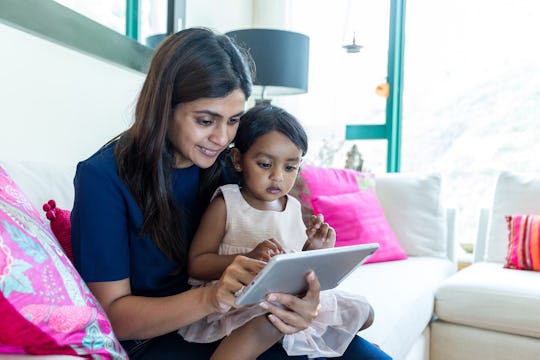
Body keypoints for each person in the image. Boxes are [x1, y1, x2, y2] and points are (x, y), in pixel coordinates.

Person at [71, 27, 391, 359]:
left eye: (234, 119)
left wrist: (304, 299)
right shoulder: (103, 178)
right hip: (161, 337)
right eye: (206, 121)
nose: (223, 138)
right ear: (164, 108)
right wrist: (213, 298)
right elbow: (114, 316)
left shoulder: (229, 165)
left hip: (240, 315)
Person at [178, 104, 375, 359]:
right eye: (265, 164)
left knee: (364, 312)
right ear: (238, 160)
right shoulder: (227, 203)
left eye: (290, 167)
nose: (277, 177)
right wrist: (248, 257)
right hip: (239, 300)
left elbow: (294, 264)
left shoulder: (293, 207)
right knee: (269, 318)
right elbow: (196, 264)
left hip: (285, 298)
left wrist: (313, 251)